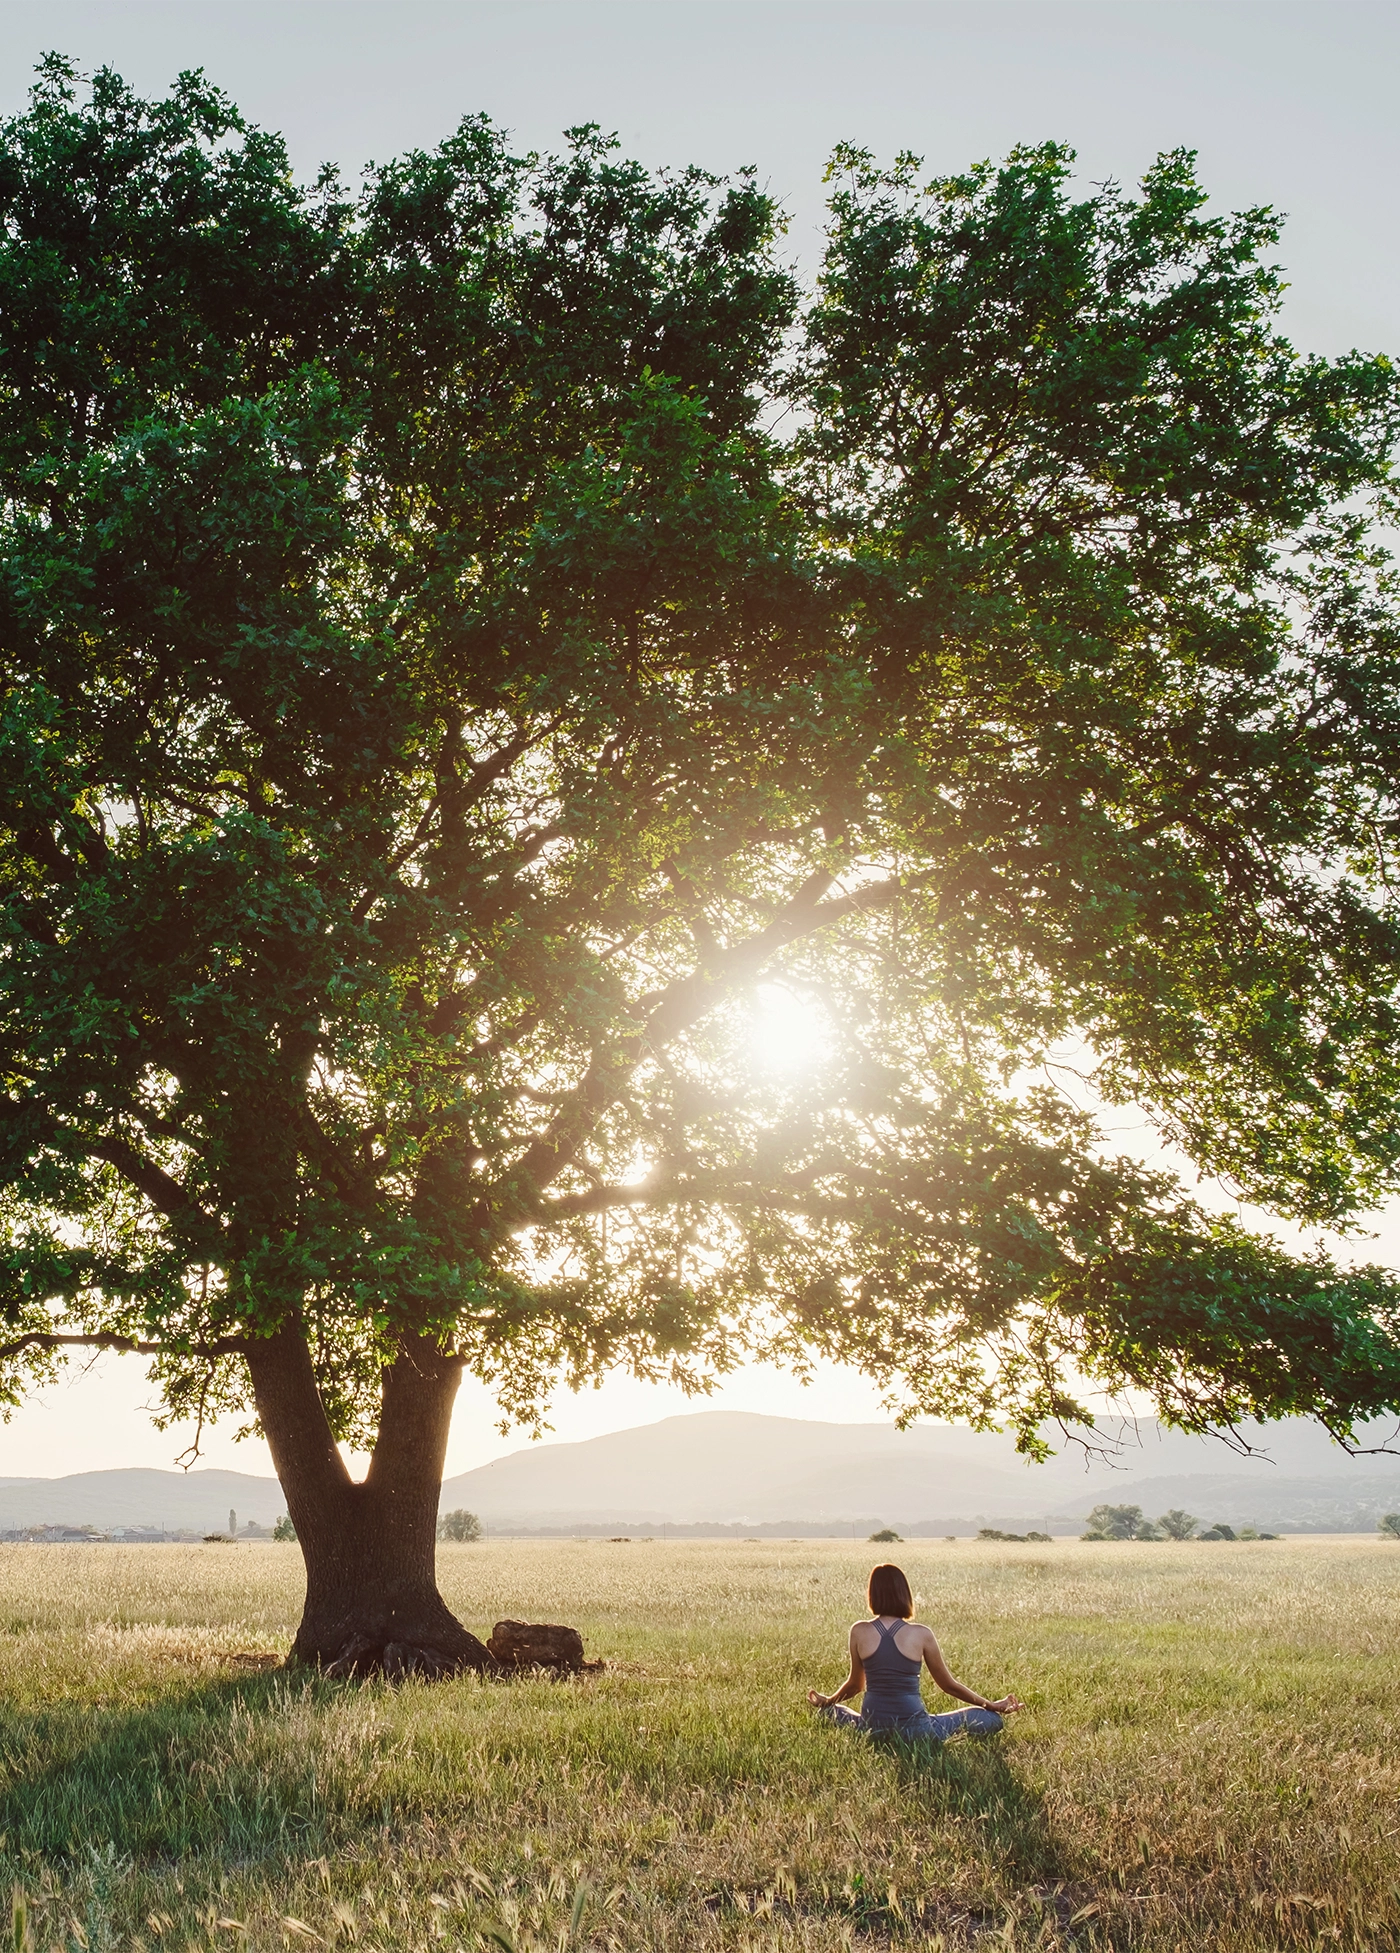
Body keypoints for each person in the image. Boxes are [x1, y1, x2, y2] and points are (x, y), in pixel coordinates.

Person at [808, 1562, 1024, 1743]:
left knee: (828, 1712)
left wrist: (828, 1701)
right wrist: (991, 1705)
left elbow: (855, 1685)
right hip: (918, 1731)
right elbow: (949, 1685)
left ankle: (858, 1722)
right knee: (992, 1720)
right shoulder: (921, 1634)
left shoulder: (859, 1631)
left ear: (872, 1595)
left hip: (872, 1728)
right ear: (904, 1594)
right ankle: (929, 1723)